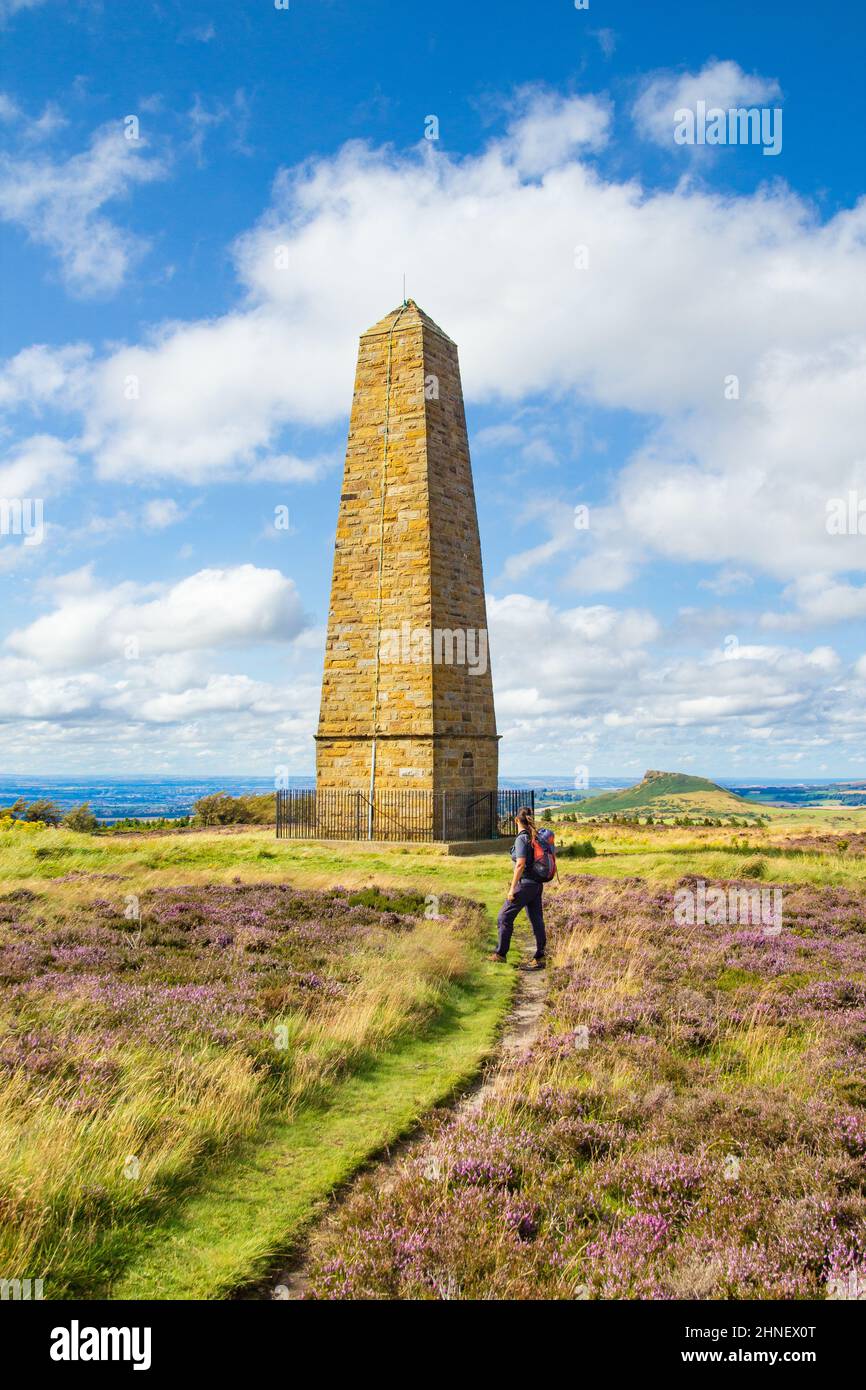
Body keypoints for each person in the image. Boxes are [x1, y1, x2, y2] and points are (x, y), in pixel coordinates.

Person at [491, 805, 546, 969]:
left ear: (516, 820)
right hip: (537, 885)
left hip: (525, 884)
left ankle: (500, 954)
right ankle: (541, 957)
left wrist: (512, 888)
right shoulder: (534, 836)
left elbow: (520, 864)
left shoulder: (522, 838)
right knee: (537, 920)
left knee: (504, 917)